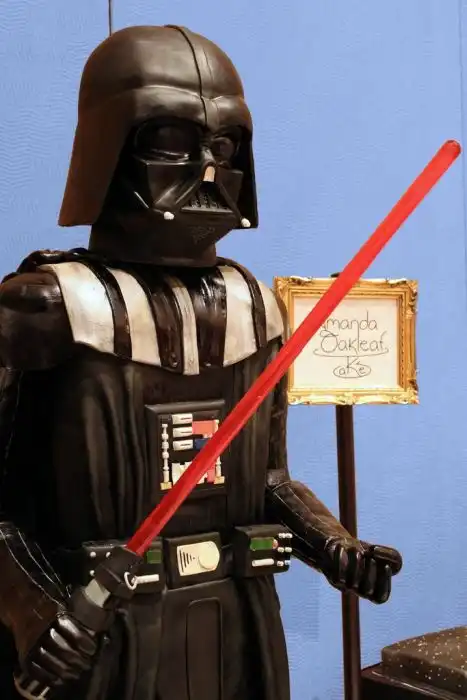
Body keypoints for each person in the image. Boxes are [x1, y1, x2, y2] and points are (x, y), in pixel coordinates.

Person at [0, 25, 402, 700]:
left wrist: (333, 545)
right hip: (100, 633)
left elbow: (268, 479)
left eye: (225, 145)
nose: (208, 169)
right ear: (109, 145)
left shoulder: (252, 306)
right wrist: (32, 608)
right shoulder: (43, 308)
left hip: (237, 624)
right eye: (171, 139)